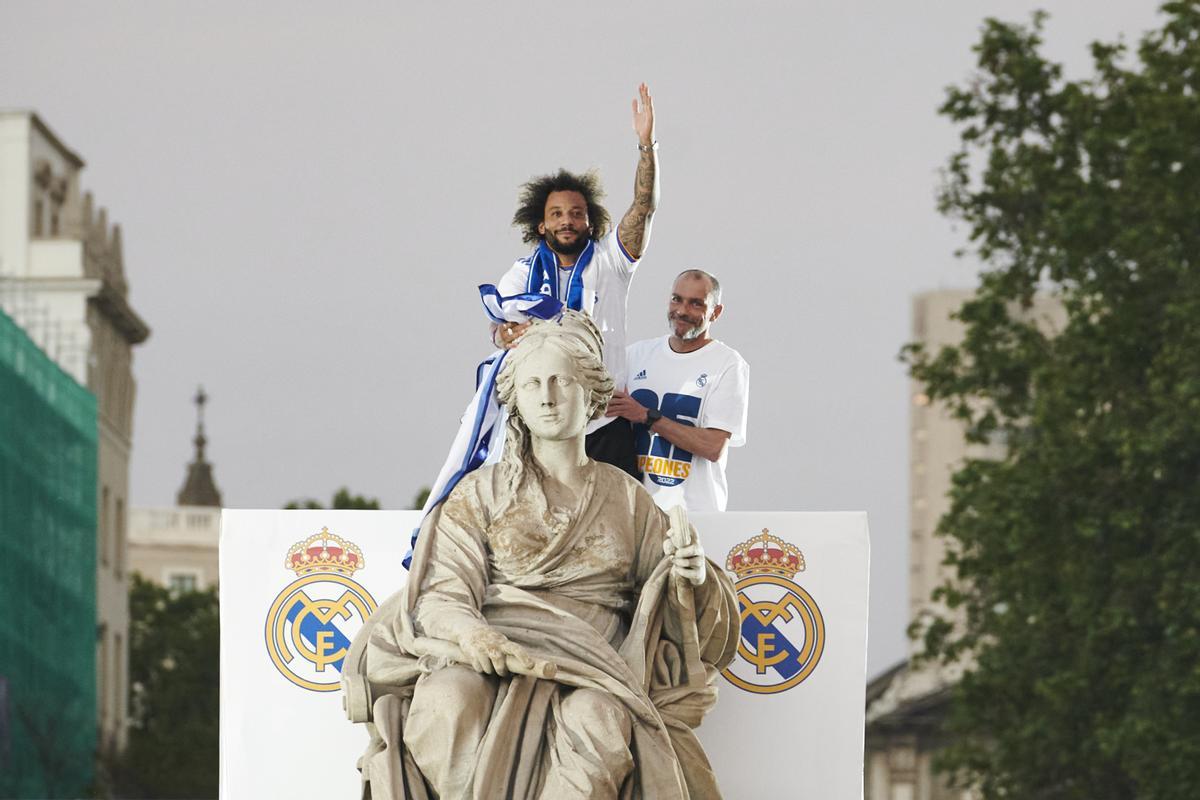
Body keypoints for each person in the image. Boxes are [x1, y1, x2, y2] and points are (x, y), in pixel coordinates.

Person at [344, 311, 739, 800]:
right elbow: (442, 592)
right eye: (532, 384)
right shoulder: (479, 494)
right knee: (446, 702)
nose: (547, 397)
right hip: (491, 650)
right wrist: (476, 637)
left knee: (597, 718)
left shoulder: (628, 498)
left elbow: (670, 597)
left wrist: (692, 577)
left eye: (561, 381)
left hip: (593, 663)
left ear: (591, 393)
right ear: (516, 400)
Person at [491, 83, 660, 478]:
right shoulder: (521, 273)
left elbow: (644, 208)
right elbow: (500, 328)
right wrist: (504, 335)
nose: (567, 220)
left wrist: (647, 145)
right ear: (541, 223)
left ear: (590, 220)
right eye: (557, 214)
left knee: (617, 529)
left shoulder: (611, 261)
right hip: (543, 426)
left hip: (604, 422)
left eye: (576, 213)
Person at [606, 270, 750, 512]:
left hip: (695, 514)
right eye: (677, 299)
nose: (682, 311)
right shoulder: (635, 355)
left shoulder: (727, 364)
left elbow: (713, 447)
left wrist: (646, 416)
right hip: (634, 513)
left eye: (696, 304)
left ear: (716, 312)